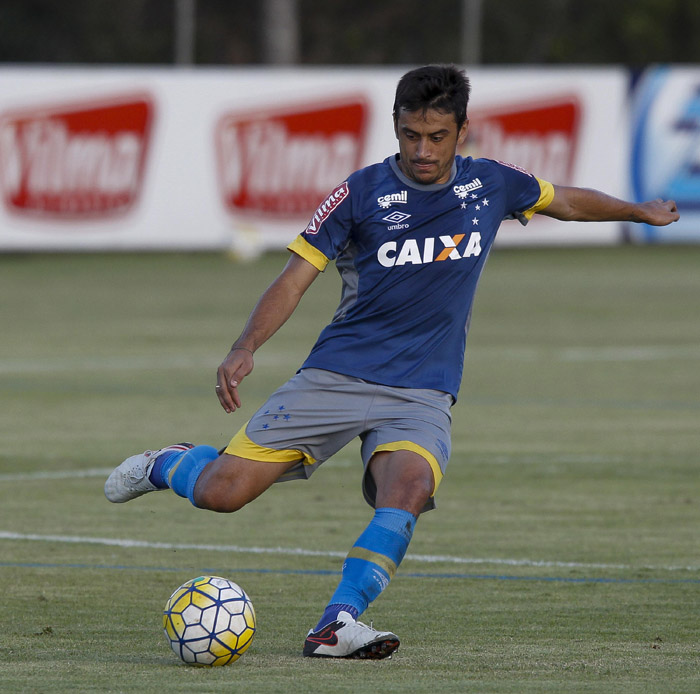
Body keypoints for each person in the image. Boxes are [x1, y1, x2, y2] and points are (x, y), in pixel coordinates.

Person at [105, 64, 679, 660]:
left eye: (436, 137)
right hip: (337, 377)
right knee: (224, 493)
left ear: (462, 131)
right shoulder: (360, 193)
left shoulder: (492, 184)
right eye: (410, 135)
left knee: (407, 488)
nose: (422, 150)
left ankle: (336, 624)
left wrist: (639, 212)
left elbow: (566, 202)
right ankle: (166, 464)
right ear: (396, 127)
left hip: (424, 391)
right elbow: (295, 278)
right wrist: (246, 345)